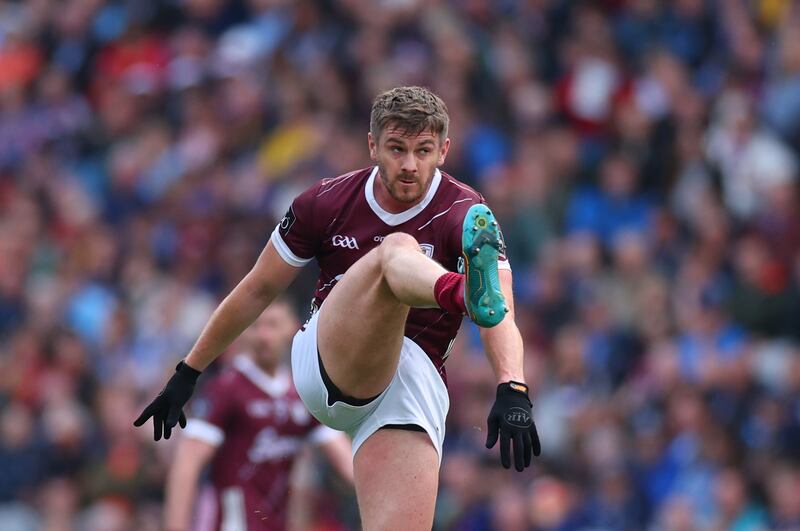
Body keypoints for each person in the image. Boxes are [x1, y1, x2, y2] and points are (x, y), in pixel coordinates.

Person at [135, 86, 541, 530]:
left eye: (423, 150)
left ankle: (462, 291)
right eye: (396, 149)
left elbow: (501, 311)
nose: (409, 165)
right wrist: (189, 370)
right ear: (372, 146)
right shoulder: (324, 202)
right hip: (328, 358)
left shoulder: (467, 211)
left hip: (411, 381)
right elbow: (257, 289)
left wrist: (513, 388)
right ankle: (458, 291)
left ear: (443, 150)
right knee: (397, 251)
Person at [162, 300, 353, 531]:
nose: (263, 335)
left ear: (292, 328)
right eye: (255, 326)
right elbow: (187, 463)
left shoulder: (303, 393)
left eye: (272, 325)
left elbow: (347, 463)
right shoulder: (226, 389)